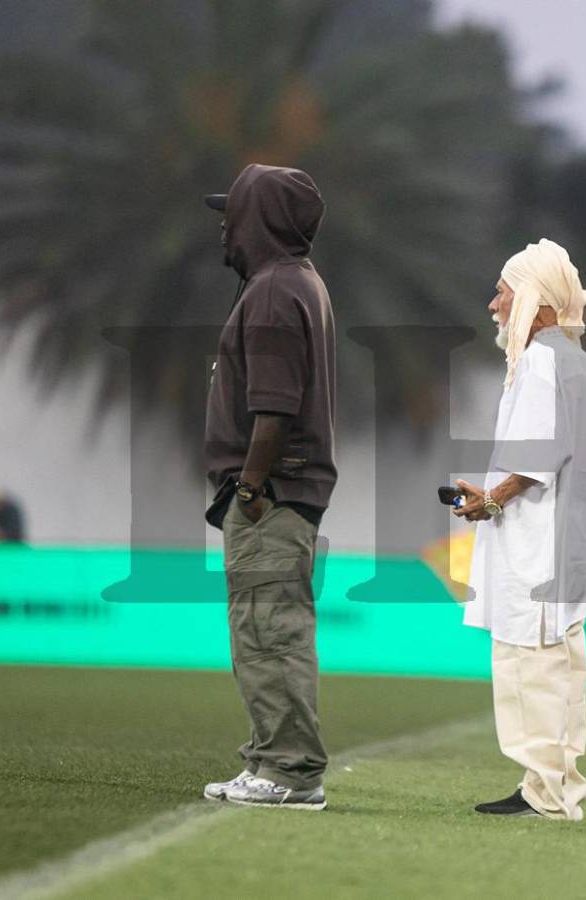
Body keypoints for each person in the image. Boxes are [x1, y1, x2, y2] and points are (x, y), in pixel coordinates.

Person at [200, 164, 337, 811]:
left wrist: (251, 489)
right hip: (282, 491)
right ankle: (270, 760)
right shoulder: (295, 283)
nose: (224, 226)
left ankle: (290, 771)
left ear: (257, 220)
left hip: (272, 494)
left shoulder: (276, 291)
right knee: (263, 631)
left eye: (232, 213)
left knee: (270, 631)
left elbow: (275, 407)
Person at [454, 238, 586, 820]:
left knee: (531, 666)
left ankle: (547, 792)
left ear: (534, 300)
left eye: (503, 292)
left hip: (536, 544)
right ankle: (554, 787)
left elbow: (534, 459)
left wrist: (488, 499)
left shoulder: (542, 359)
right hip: (566, 541)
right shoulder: (576, 360)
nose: (494, 305)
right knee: (561, 670)